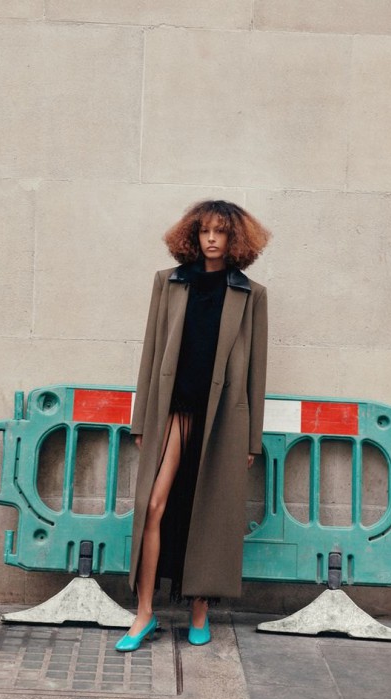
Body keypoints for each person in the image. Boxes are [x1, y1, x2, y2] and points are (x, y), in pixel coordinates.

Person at [115, 200, 270, 652]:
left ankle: (199, 612)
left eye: (221, 231)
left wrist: (251, 440)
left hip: (222, 421)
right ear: (193, 235)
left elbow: (256, 372)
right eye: (204, 231)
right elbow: (151, 353)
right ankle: (144, 613)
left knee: (208, 513)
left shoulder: (251, 294)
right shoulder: (168, 283)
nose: (212, 239)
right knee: (154, 506)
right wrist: (141, 419)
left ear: (235, 239)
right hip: (173, 413)